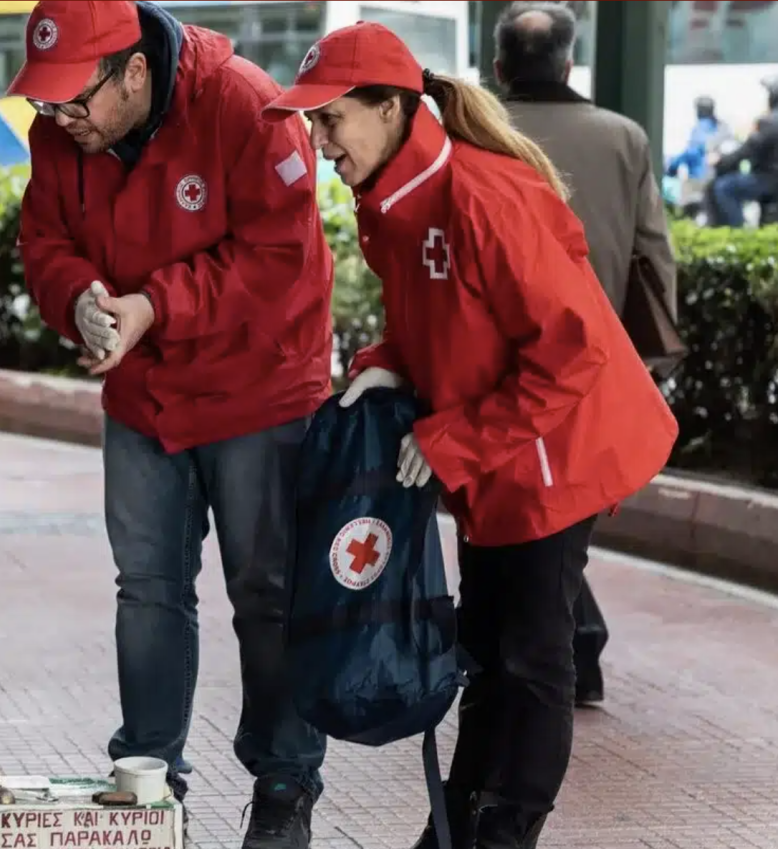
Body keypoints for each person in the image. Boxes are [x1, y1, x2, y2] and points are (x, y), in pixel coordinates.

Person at [262, 22, 678, 849]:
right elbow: (433, 322)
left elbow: (574, 352)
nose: (319, 141)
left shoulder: (486, 197)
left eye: (331, 119)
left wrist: (458, 439)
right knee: (487, 651)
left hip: (558, 449)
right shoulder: (391, 202)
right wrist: (386, 362)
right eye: (311, 122)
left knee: (528, 662)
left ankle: (501, 830)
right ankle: (459, 825)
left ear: (388, 108)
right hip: (502, 452)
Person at [8, 1, 334, 846]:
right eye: (45, 104)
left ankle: (286, 779)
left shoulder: (242, 104)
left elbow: (280, 256)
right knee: (147, 588)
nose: (59, 120)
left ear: (136, 71)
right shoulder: (61, 132)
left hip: (258, 390)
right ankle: (150, 776)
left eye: (73, 101)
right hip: (144, 396)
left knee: (267, 591)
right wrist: (75, 297)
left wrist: (158, 304)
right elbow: (42, 239)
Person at [492, 0, 679, 706]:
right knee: (563, 510)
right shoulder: (624, 138)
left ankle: (558, 646)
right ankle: (570, 642)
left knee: (517, 516)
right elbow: (653, 258)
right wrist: (652, 367)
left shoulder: (475, 133)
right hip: (590, 361)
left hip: (492, 364)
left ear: (500, 64)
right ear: (571, 63)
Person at [707, 75, 778, 227]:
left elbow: (747, 150)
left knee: (724, 187)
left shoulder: (768, 122)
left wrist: (721, 160)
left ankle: (737, 233)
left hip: (769, 179)